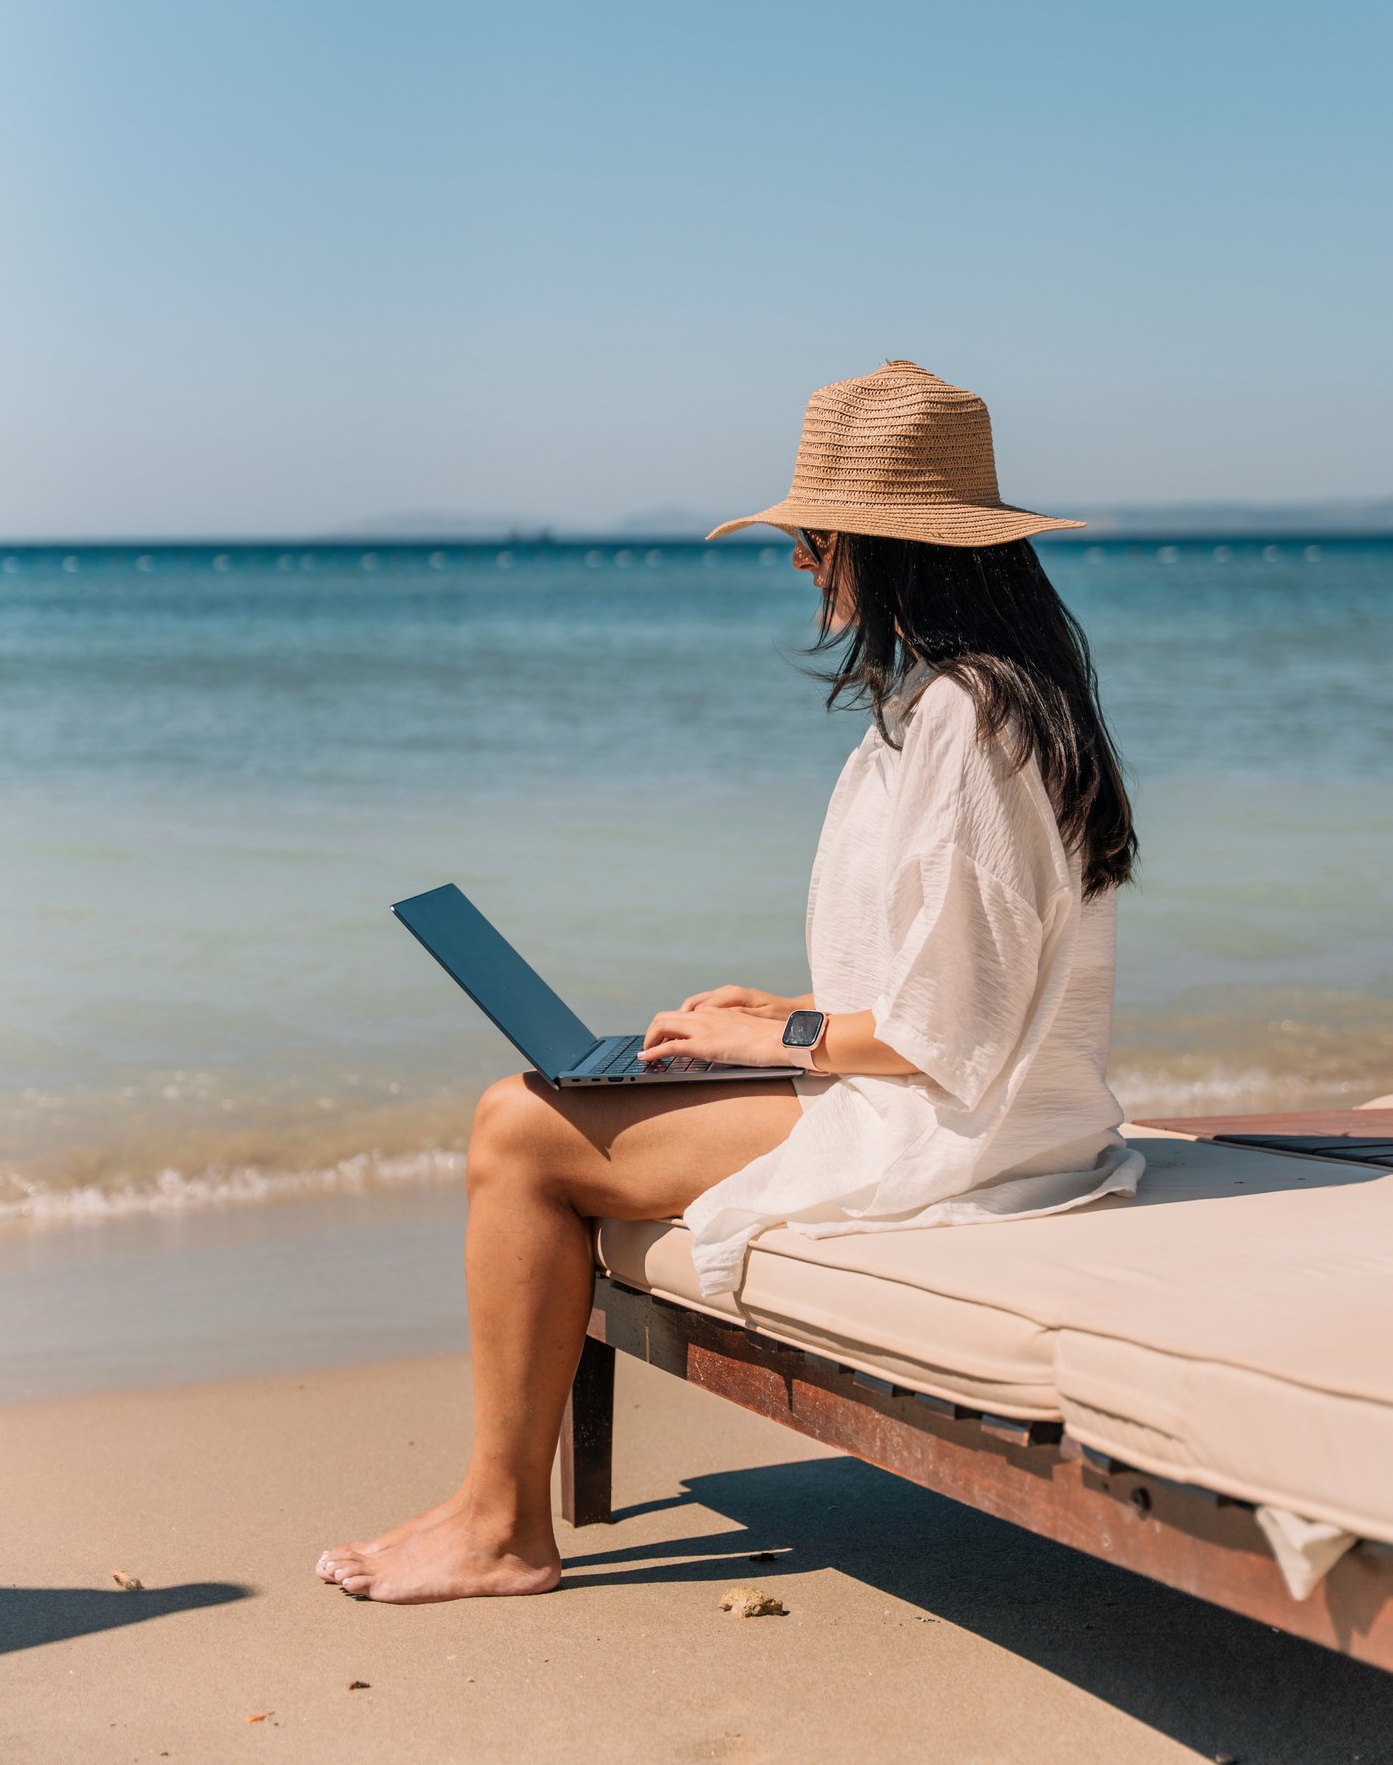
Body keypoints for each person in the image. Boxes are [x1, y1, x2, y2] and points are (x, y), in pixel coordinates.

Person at [316, 358, 1143, 1604]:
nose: (801, 558)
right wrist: (771, 1014)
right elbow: (954, 983)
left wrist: (785, 1039)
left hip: (957, 1134)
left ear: (888, 544)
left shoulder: (969, 717)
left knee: (518, 1129)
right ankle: (493, 1510)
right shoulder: (976, 699)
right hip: (975, 1106)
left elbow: (950, 1034)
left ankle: (501, 1526)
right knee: (549, 1101)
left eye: (816, 534)